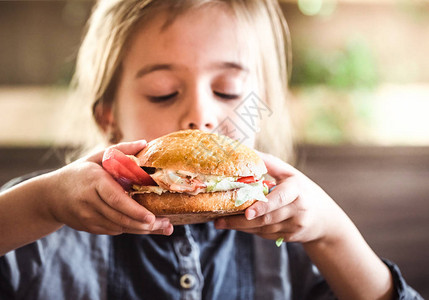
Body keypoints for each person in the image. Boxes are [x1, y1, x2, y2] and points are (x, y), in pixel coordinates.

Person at [0, 1, 422, 299]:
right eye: (163, 93)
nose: (200, 116)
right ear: (109, 117)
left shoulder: (292, 238)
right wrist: (41, 205)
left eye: (228, 90)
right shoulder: (49, 218)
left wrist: (334, 235)